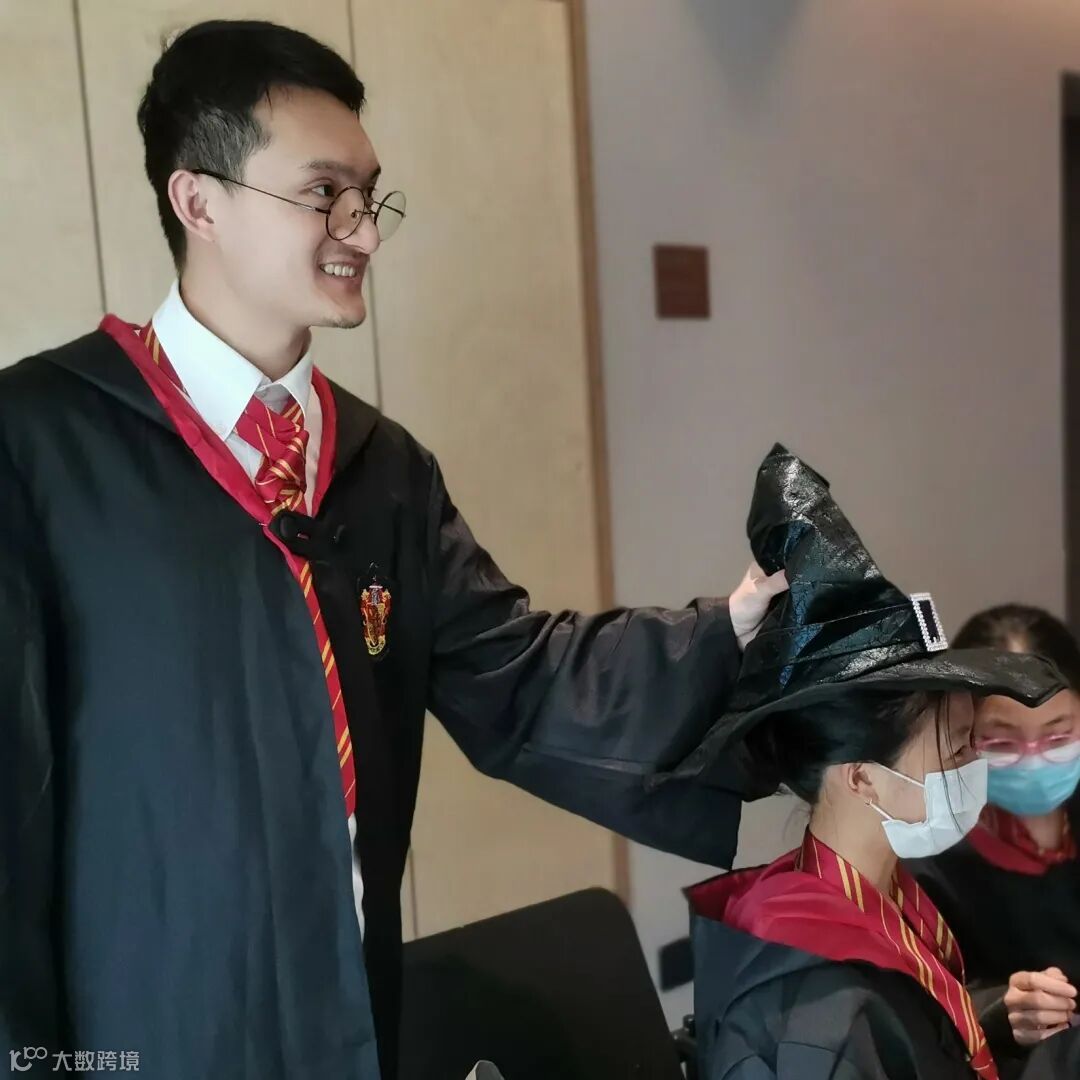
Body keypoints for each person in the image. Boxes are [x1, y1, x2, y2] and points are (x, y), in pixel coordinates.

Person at [0, 19, 786, 1080]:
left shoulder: (382, 471)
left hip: (351, 1018)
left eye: (370, 197)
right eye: (324, 193)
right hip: (150, 1028)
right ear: (200, 202)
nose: (363, 232)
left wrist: (732, 630)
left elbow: (522, 679)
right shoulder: (41, 446)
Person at [666, 445, 1080, 1078]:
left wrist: (998, 1025)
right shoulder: (815, 992)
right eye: (959, 747)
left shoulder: (885, 898)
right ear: (862, 777)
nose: (979, 766)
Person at [908, 605, 1080, 1069]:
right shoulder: (928, 857)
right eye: (1003, 743)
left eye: (1058, 737)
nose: (1034, 760)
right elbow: (918, 1011)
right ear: (962, 734)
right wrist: (1001, 1010)